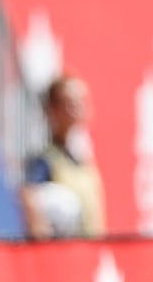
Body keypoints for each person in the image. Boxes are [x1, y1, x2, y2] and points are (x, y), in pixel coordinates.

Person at [20, 74, 106, 240]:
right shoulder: (46, 159)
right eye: (69, 102)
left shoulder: (84, 157)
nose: (77, 107)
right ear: (52, 109)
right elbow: (28, 195)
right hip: (66, 254)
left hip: (93, 250)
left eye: (81, 101)